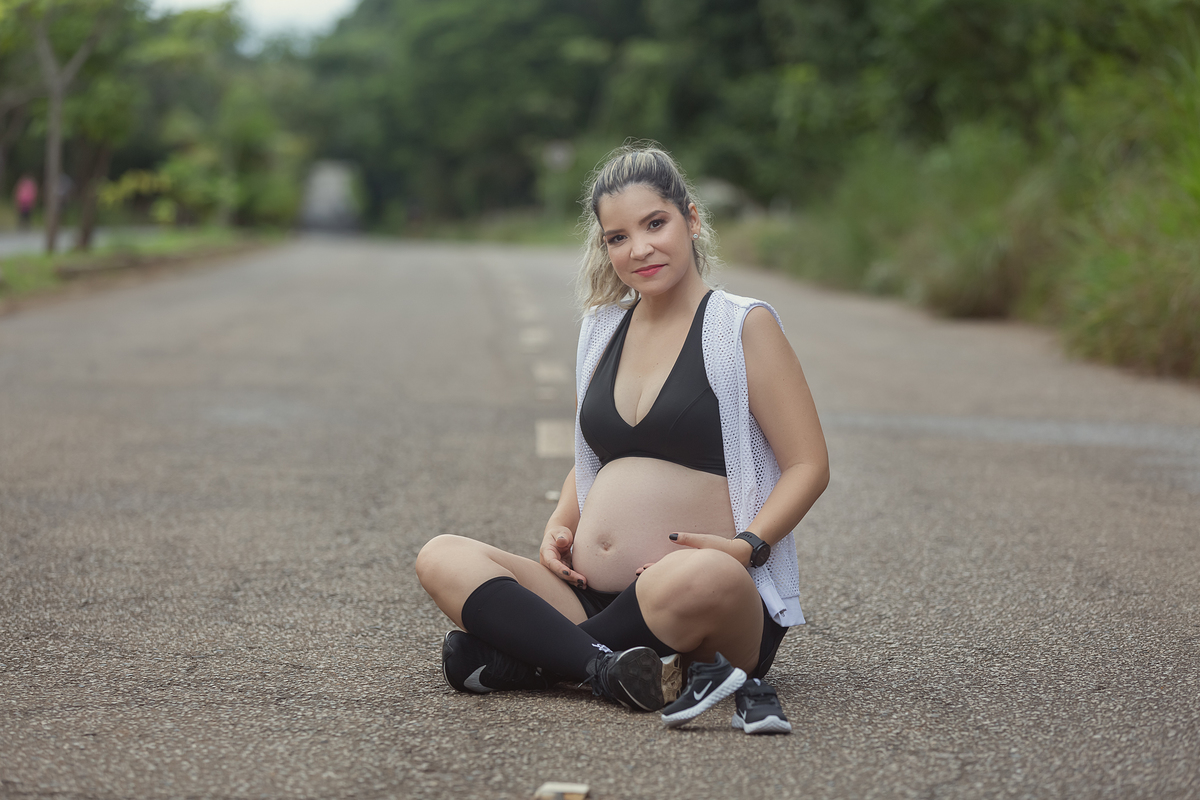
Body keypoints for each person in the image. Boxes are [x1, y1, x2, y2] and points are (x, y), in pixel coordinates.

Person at [415, 143, 829, 730]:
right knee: (442, 556)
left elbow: (809, 465)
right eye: (617, 237)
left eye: (655, 224)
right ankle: (605, 668)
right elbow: (597, 457)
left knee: (697, 575)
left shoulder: (740, 325)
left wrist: (746, 547)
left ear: (691, 219)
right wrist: (563, 519)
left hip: (701, 596)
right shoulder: (603, 328)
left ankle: (536, 657)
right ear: (604, 246)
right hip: (589, 595)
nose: (639, 249)